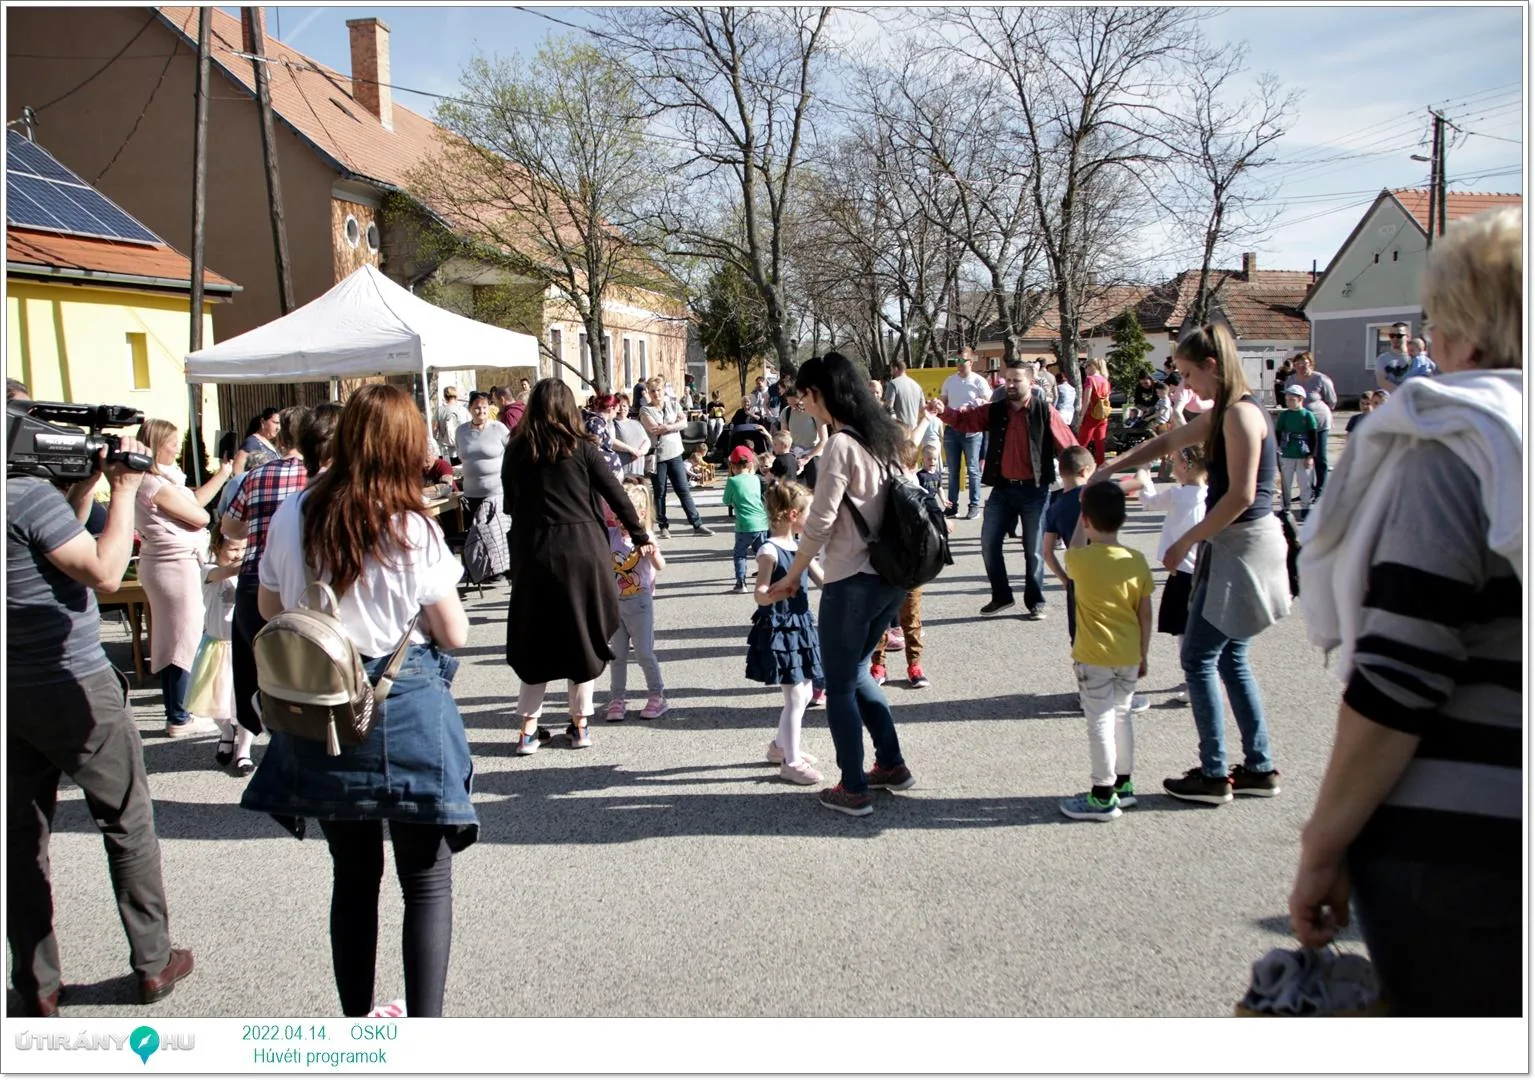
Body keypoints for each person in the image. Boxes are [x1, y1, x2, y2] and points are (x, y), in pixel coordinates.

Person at [1290, 206, 1522, 1017]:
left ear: (1460, 324)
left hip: (1471, 835)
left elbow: (1401, 675)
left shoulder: (1462, 442)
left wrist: (1323, 843)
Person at [244, 384, 473, 1019]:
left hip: (320, 711)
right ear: (402, 447)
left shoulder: (294, 512)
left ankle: (357, 1026)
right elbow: (454, 633)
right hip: (399, 703)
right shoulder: (410, 526)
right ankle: (425, 1031)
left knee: (353, 876)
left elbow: (269, 610)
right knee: (425, 881)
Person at [7, 430, 196, 1016]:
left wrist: (83, 489)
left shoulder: (33, 502)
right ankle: (152, 962)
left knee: (20, 842)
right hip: (71, 683)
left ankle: (35, 986)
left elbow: (50, 543)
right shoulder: (25, 495)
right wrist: (125, 487)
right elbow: (105, 572)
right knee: (125, 820)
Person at [1088, 323, 1288, 806]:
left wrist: (1186, 542)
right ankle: (1258, 766)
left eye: (1187, 374)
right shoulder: (1225, 413)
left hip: (1240, 544)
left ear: (1212, 368)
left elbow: (1240, 496)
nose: (1183, 386)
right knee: (1232, 658)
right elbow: (1165, 444)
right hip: (1233, 543)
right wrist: (1109, 467)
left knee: (1198, 657)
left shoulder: (1240, 417)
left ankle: (1215, 773)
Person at [763, 352, 913, 818]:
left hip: (853, 579)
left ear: (822, 393)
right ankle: (890, 763)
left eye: (805, 396)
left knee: (841, 683)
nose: (803, 405)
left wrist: (793, 574)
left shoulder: (842, 447)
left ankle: (853, 787)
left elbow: (820, 521)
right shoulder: (884, 436)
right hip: (891, 577)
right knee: (860, 669)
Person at [503, 379, 653, 756]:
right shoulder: (583, 447)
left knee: (535, 638)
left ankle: (527, 730)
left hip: (534, 549)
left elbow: (509, 503)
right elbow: (615, 493)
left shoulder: (518, 449)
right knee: (583, 634)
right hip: (583, 549)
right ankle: (581, 723)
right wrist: (639, 534)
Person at [929, 361, 1080, 620]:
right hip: (1003, 490)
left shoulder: (1045, 412)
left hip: (1035, 491)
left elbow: (1070, 447)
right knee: (988, 544)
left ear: (1031, 383)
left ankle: (1036, 601)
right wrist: (944, 412)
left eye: (1016, 380)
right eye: (1007, 379)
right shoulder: (995, 411)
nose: (1009, 384)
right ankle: (1001, 596)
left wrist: (1080, 481)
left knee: (1033, 550)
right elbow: (966, 421)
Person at [1058, 481, 1154, 822]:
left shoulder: (1080, 561)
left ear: (1086, 520)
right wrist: (1144, 653)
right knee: (1122, 715)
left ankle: (1102, 794)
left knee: (1098, 720)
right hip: (1129, 654)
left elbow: (1071, 546)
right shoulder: (1137, 561)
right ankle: (1124, 785)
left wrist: (1080, 514)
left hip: (1093, 655)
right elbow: (1145, 614)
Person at [133, 418, 233, 736]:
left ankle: (179, 710)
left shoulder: (162, 481)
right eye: (173, 442)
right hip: (172, 566)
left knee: (177, 636)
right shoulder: (154, 484)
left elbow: (197, 503)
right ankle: (179, 715)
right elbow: (201, 515)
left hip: (171, 564)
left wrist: (224, 474)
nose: (177, 448)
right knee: (181, 638)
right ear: (157, 445)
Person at [223, 405, 310, 741]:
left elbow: (230, 526)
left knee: (262, 669)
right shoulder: (315, 477)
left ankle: (272, 733)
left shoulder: (256, 475)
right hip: (297, 578)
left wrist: (259, 525)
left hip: (253, 576)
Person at [748, 480, 827, 786]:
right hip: (778, 629)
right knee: (796, 695)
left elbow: (824, 582)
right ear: (794, 514)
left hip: (801, 626)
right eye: (809, 512)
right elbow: (759, 593)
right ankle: (790, 762)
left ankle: (779, 747)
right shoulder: (769, 550)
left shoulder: (801, 546)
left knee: (805, 692)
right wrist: (776, 593)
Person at [1125, 449, 1208, 707]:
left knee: (1185, 631)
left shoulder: (1179, 495)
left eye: (1174, 463)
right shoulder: (1209, 493)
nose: (1172, 467)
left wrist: (1143, 474)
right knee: (1202, 628)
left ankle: (1194, 682)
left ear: (1187, 465)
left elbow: (1148, 500)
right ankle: (1204, 677)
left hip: (1184, 571)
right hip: (1204, 568)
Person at [869, 441, 932, 692]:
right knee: (880, 620)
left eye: (902, 467)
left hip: (911, 569)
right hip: (883, 567)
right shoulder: (878, 493)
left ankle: (915, 665)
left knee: (912, 620)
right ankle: (878, 665)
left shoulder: (919, 494)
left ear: (912, 467)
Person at [605, 480, 669, 723]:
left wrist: (652, 553)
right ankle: (617, 698)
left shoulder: (644, 536)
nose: (620, 520)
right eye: (617, 513)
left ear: (641, 514)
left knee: (643, 653)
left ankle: (657, 695)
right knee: (617, 655)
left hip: (640, 603)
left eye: (625, 514)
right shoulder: (610, 535)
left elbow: (661, 566)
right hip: (615, 604)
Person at [190, 525, 247, 772]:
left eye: (244, 549)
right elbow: (230, 570)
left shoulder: (247, 573)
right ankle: (226, 732)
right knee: (214, 700)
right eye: (233, 548)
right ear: (217, 547)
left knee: (244, 701)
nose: (239, 554)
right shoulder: (209, 571)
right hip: (216, 646)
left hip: (241, 645)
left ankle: (244, 749)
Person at [640, 377, 713, 540]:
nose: (656, 394)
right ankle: (663, 526)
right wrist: (672, 426)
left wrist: (668, 427)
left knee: (683, 490)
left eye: (658, 390)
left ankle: (696, 523)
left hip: (675, 453)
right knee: (660, 492)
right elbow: (654, 429)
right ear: (649, 393)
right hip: (658, 456)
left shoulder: (672, 404)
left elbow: (684, 423)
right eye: (652, 391)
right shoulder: (645, 410)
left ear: (663, 390)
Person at [1041, 445, 1097, 648]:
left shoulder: (1054, 508)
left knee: (1080, 635)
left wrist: (1064, 580)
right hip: (1104, 569)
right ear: (1085, 471)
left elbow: (1047, 552)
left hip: (1076, 575)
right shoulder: (1094, 495)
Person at [939, 351, 991, 519]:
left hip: (972, 431)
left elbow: (989, 399)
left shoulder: (978, 381)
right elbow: (944, 400)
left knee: (973, 469)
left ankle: (974, 505)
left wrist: (973, 404)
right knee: (953, 470)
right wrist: (937, 404)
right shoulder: (950, 380)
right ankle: (952, 506)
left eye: (963, 360)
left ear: (971, 362)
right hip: (952, 429)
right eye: (957, 360)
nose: (959, 363)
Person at [1284, 352, 1337, 495]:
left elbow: (1331, 401)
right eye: (1297, 364)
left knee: (1319, 457)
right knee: (1303, 458)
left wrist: (1315, 411)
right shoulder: (1291, 380)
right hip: (1300, 425)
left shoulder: (1321, 379)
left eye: (1304, 363)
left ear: (1311, 363)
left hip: (1319, 423)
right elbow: (1287, 398)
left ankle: (1320, 489)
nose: (1300, 367)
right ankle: (1306, 490)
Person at [454, 391, 510, 525]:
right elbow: (461, 453)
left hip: (496, 493)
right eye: (477, 408)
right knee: (477, 535)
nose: (481, 411)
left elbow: (513, 452)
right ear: (470, 409)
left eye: (484, 407)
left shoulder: (499, 428)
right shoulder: (461, 431)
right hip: (471, 494)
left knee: (497, 535)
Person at [723, 446, 770, 593]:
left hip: (744, 525)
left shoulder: (733, 481)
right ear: (750, 464)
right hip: (762, 522)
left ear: (732, 465)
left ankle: (741, 582)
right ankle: (768, 578)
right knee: (761, 552)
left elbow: (726, 501)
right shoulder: (756, 479)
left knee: (740, 553)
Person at [1274, 384, 1319, 513]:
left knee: (1304, 482)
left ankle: (1305, 506)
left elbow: (1313, 436)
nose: (1288, 402)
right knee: (1286, 483)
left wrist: (1311, 455)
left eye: (1292, 400)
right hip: (1287, 452)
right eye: (1287, 400)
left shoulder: (1307, 415)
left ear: (1300, 399)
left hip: (1303, 453)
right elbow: (1278, 432)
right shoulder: (1284, 415)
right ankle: (1285, 507)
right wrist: (1278, 449)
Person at [779, 386, 828, 489]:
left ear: (803, 399)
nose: (793, 407)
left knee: (815, 489)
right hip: (794, 455)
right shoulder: (786, 412)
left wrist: (807, 458)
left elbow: (824, 440)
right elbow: (784, 437)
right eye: (789, 404)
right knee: (790, 489)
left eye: (796, 404)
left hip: (813, 455)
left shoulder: (815, 411)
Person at [1076, 358, 1113, 465]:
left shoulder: (1090, 379)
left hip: (1090, 415)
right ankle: (1101, 467)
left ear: (1093, 366)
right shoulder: (1105, 380)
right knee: (1100, 444)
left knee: (1082, 443)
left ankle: (1076, 466)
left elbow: (1086, 400)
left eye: (1087, 366)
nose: (1085, 369)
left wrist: (1081, 417)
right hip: (1102, 415)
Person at [233, 408, 280, 475]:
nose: (278, 428)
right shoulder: (252, 442)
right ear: (263, 422)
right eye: (276, 423)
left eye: (279, 424)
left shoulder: (270, 443)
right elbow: (237, 470)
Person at [1373, 322, 1416, 392]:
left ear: (1408, 337)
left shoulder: (1416, 359)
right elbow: (1381, 382)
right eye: (1392, 335)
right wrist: (1402, 394)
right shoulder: (1382, 359)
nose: (1395, 338)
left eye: (1399, 336)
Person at [885, 359, 925, 433]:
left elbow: (888, 407)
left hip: (898, 430)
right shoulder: (917, 386)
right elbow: (923, 409)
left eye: (891, 369)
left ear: (895, 368)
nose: (891, 372)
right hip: (913, 430)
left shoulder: (893, 384)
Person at [435, 386, 469, 461]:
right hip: (461, 447)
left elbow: (435, 428)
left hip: (445, 450)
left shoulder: (440, 410)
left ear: (444, 396)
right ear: (456, 396)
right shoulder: (463, 410)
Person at [1047, 359, 1076, 424]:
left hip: (1060, 412)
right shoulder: (1072, 389)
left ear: (1057, 380)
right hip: (1070, 413)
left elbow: (1055, 398)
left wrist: (1052, 410)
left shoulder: (1058, 388)